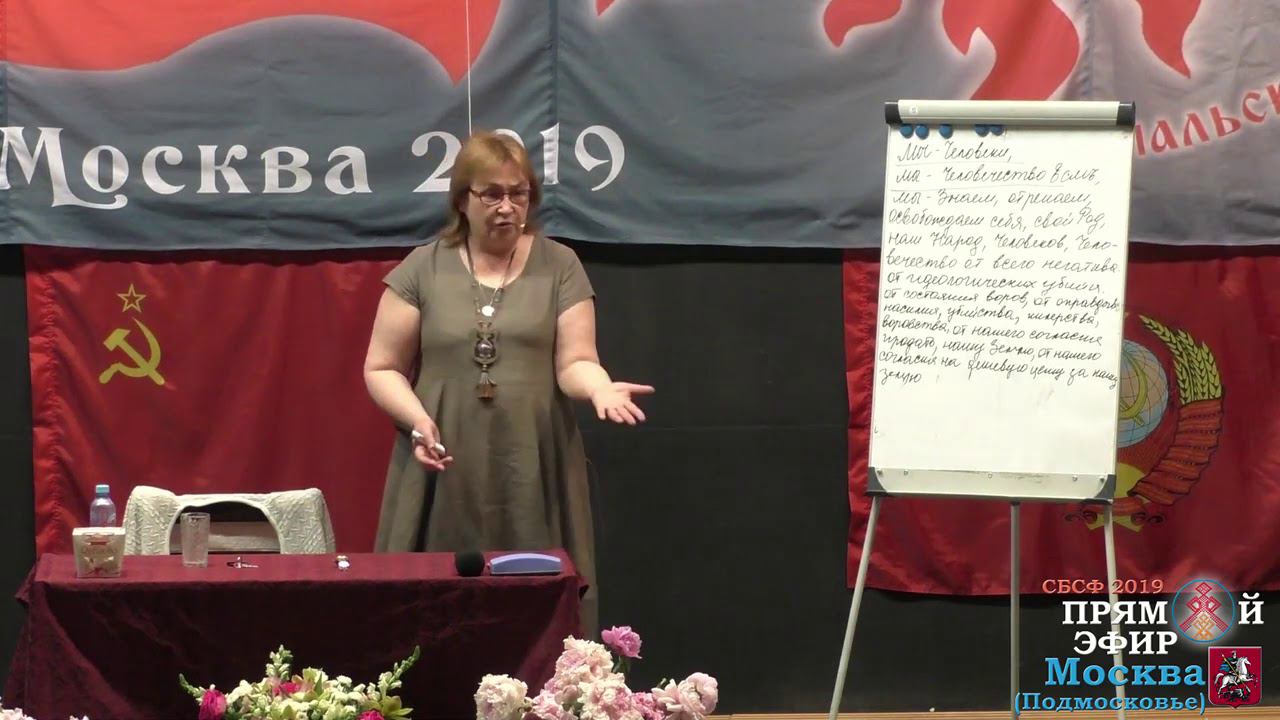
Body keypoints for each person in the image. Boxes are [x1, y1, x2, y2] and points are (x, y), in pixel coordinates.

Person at [363, 130, 651, 636]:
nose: (507, 207)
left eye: (519, 194)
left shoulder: (560, 265)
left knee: (536, 598)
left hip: (531, 460)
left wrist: (599, 387)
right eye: (492, 194)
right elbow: (381, 367)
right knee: (436, 602)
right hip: (443, 458)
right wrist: (416, 421)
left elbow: (576, 361)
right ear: (463, 199)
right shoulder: (422, 268)